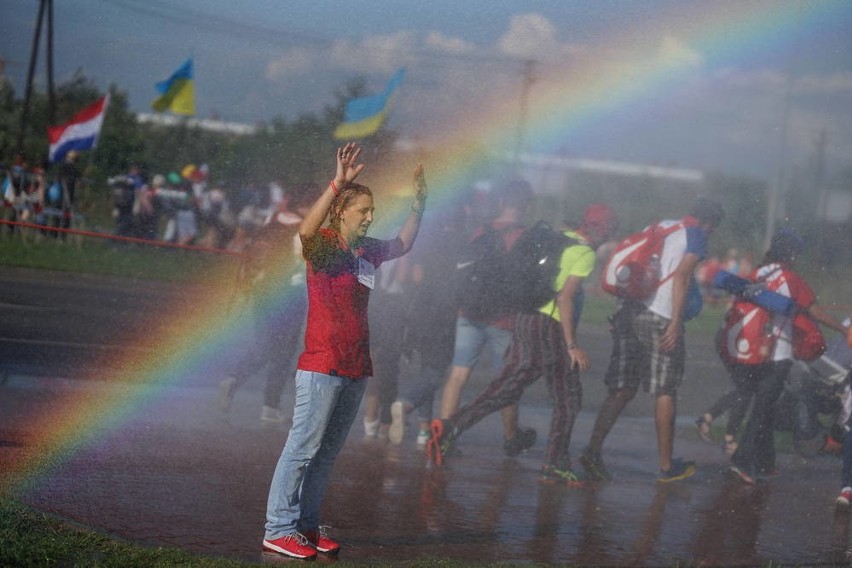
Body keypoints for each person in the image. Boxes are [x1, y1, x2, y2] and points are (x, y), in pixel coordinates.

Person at [262, 143, 427, 560]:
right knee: (301, 448)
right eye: (363, 210)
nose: (371, 217)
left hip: (355, 365)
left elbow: (404, 244)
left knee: (326, 453)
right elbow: (305, 232)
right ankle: (278, 527)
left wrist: (419, 205)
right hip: (323, 365)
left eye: (372, 211)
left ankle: (306, 527)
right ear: (342, 211)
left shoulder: (365, 250)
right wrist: (337, 184)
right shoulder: (327, 246)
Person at [427, 204, 619, 485]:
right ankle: (555, 463)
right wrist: (572, 345)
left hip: (522, 318)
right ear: (603, 230)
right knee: (568, 399)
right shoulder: (584, 253)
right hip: (549, 326)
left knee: (507, 387)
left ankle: (449, 428)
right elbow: (565, 299)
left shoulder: (558, 237)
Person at [581, 197, 724, 483]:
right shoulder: (697, 235)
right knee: (665, 390)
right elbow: (682, 277)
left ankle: (592, 450)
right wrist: (674, 323)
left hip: (631, 312)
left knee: (622, 388)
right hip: (660, 316)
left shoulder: (664, 226)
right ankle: (666, 466)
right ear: (711, 224)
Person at [726, 229, 851, 485]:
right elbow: (814, 311)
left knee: (765, 407)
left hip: (748, 351)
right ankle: (742, 460)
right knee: (763, 409)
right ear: (792, 253)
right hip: (777, 353)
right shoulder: (790, 279)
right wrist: (844, 329)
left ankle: (764, 462)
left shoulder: (757, 274)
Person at [435, 180, 536, 458]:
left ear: (502, 202)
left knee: (458, 374)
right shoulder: (525, 237)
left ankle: (443, 434)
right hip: (504, 319)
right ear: (525, 204)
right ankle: (511, 437)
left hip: (469, 313)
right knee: (507, 381)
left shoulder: (482, 231)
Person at [218, 186, 315, 423]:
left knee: (264, 344)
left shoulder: (273, 221)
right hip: (289, 295)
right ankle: (269, 406)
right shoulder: (305, 228)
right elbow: (308, 264)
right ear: (309, 205)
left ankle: (233, 379)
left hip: (262, 290)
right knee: (283, 351)